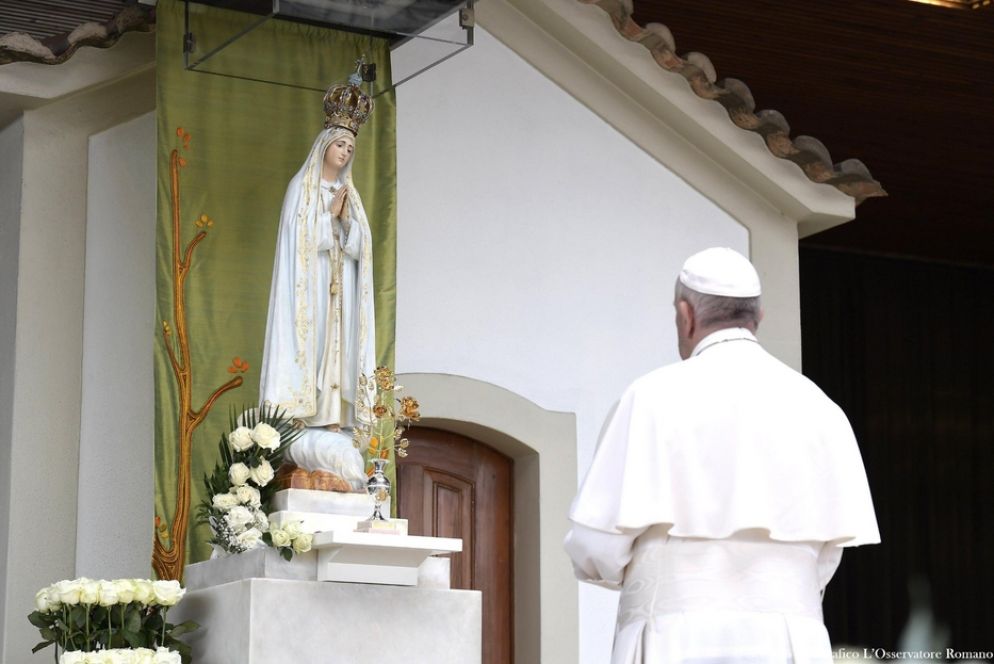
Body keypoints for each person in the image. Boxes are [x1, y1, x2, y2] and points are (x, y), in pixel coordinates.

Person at [565, 247, 880, 664]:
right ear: (758, 318)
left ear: (685, 315)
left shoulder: (650, 397)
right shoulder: (822, 408)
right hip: (789, 642)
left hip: (673, 640)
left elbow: (596, 546)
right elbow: (825, 559)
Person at [258, 88, 376, 490]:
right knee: (316, 351)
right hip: (311, 296)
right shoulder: (302, 189)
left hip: (341, 295)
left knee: (339, 352)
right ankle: (304, 419)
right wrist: (328, 220)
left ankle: (333, 419)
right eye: (340, 144)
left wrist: (347, 223)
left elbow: (363, 246)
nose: (345, 153)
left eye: (350, 148)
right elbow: (298, 243)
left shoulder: (351, 196)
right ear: (325, 145)